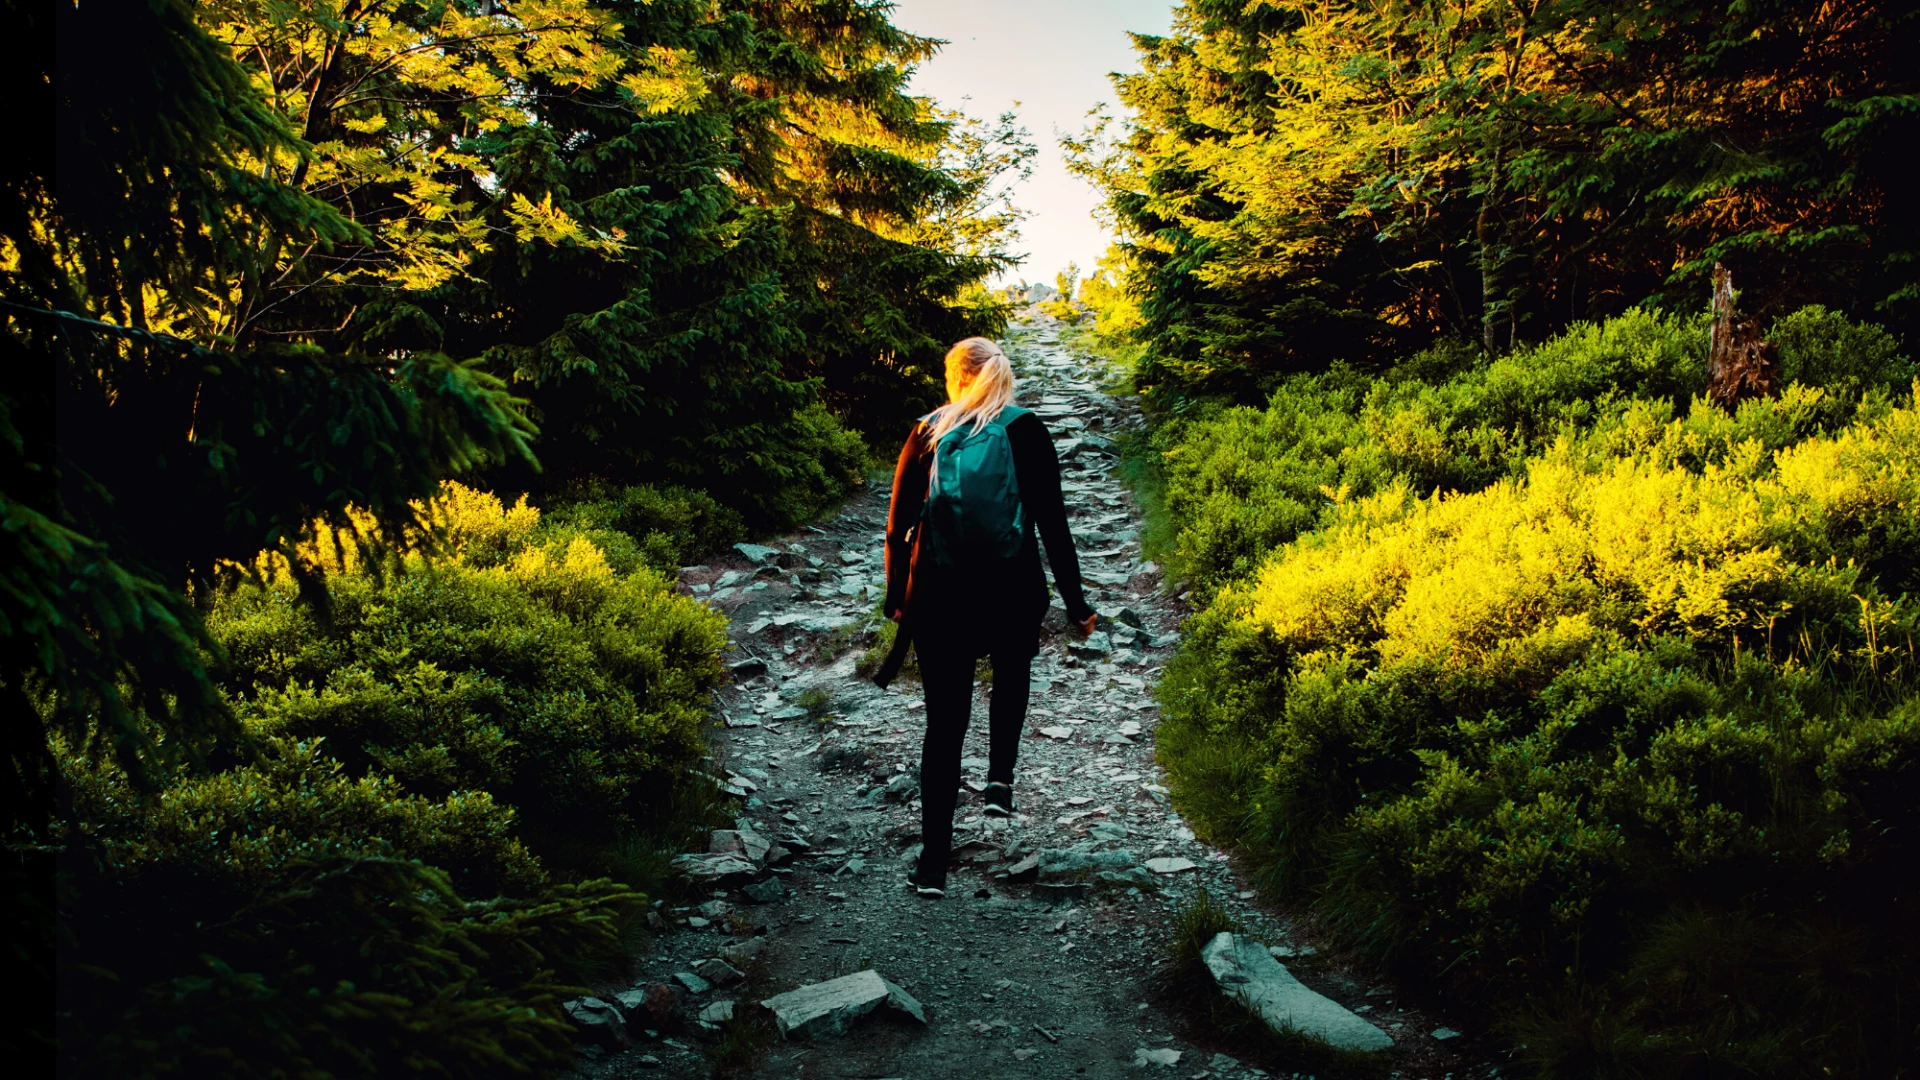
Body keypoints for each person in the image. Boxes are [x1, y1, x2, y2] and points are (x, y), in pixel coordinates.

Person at [878, 336, 1097, 899]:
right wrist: (1077, 604)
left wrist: (896, 598)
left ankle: (933, 864)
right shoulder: (1026, 429)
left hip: (939, 596)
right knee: (1012, 668)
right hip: (1011, 590)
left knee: (944, 725)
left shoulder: (929, 429)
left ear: (955, 378)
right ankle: (1000, 779)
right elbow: (1053, 524)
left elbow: (898, 521)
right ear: (1001, 376)